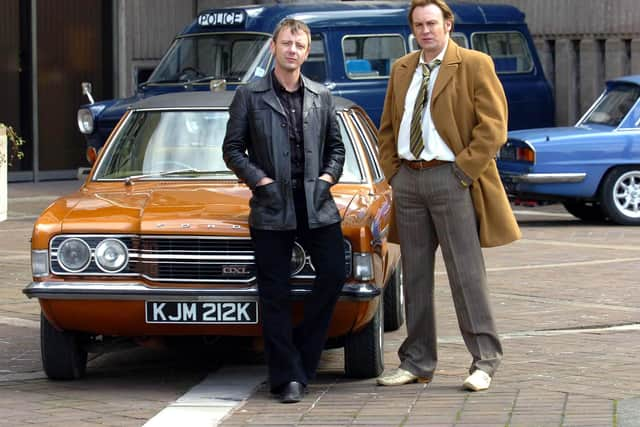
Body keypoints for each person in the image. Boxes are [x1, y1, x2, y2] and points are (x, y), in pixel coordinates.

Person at [376, 0, 521, 391]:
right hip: (408, 180)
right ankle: (417, 362)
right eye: (419, 24)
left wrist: (462, 172)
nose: (425, 30)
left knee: (466, 275)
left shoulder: (474, 63)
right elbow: (388, 126)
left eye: (432, 23)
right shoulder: (402, 68)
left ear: (448, 25)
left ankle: (485, 362)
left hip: (451, 179)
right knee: (415, 277)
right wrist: (392, 171)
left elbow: (493, 127)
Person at [223, 18, 346, 403]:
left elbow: (337, 149)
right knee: (273, 294)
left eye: (300, 45)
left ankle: (302, 360)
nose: (293, 50)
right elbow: (232, 149)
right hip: (271, 208)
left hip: (317, 206)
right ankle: (286, 380)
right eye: (287, 43)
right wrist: (262, 182)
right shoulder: (250, 95)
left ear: (307, 52)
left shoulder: (322, 96)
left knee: (334, 274)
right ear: (273, 47)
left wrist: (326, 180)